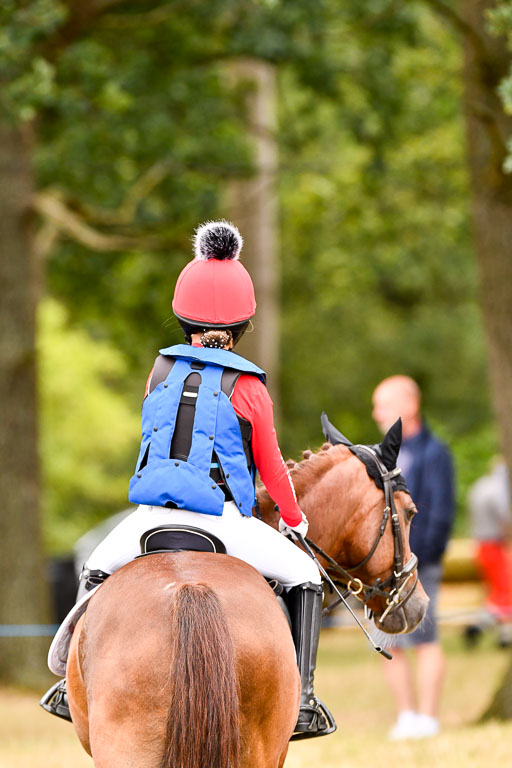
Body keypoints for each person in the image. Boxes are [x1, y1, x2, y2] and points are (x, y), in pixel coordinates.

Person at [41, 220, 336, 739]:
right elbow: (270, 465)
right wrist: (295, 520)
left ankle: (70, 687)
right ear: (244, 322)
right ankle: (306, 699)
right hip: (222, 520)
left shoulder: (157, 372)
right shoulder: (248, 385)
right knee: (305, 575)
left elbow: (153, 443)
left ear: (182, 318)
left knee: (93, 568)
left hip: (150, 519)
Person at [372, 375, 455, 740]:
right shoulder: (379, 454)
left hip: (422, 563)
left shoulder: (435, 453)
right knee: (388, 639)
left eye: (384, 404)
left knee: (425, 637)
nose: (377, 413)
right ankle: (406, 716)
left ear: (410, 405)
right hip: (385, 568)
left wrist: (420, 558)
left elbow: (440, 512)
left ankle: (428, 717)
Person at [465, 459, 512, 647]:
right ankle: (480, 625)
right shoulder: (499, 491)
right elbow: (504, 516)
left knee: (499, 590)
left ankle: (504, 634)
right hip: (494, 544)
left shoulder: (479, 486)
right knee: (505, 591)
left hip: (479, 544)